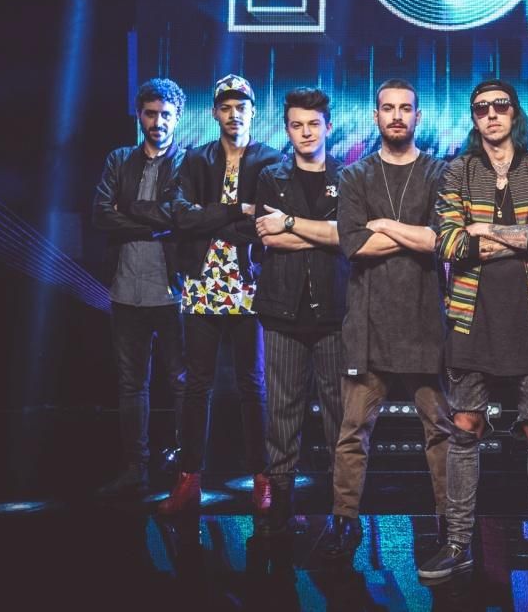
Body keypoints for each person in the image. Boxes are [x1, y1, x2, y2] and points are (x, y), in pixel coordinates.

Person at [419, 80, 528, 580]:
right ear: (474, 118)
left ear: (514, 113)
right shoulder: (457, 171)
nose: (491, 114)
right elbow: (450, 243)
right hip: (470, 317)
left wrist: (483, 229)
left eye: (500, 106)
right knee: (464, 428)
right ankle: (458, 543)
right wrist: (520, 234)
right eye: (481, 108)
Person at [325, 79, 451, 563]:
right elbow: (354, 244)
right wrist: (410, 235)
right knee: (352, 431)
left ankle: (450, 522)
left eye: (405, 108)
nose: (396, 115)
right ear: (375, 115)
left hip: (424, 323)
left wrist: (385, 226)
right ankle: (344, 520)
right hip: (368, 325)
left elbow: (440, 240)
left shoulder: (438, 172)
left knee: (440, 431)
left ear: (418, 116)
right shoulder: (355, 175)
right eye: (387, 108)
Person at [161, 74, 278, 515]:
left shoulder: (269, 160)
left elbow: (264, 223)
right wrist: (234, 211)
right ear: (214, 113)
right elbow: (181, 217)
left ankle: (262, 479)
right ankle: (188, 480)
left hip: (248, 285)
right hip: (202, 285)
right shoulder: (196, 159)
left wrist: (215, 221)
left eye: (241, 107)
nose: (234, 114)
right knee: (198, 385)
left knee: (253, 384)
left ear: (253, 112)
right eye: (226, 107)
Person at [252, 88, 349, 540]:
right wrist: (323, 232)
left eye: (313, 124)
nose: (306, 133)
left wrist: (291, 224)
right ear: (287, 129)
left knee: (339, 417)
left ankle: (343, 513)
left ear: (328, 127)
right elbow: (268, 238)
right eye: (296, 125)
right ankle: (279, 510)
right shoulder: (271, 177)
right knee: (282, 414)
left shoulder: (349, 178)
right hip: (282, 311)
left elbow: (348, 237)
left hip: (336, 311)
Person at [91, 78, 188, 498]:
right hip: (124, 291)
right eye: (151, 113)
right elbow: (100, 214)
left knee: (182, 382)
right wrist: (154, 223)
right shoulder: (119, 160)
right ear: (139, 115)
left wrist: (129, 210)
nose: (158, 122)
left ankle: (185, 471)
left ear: (177, 118)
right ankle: (136, 469)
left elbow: (180, 217)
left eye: (166, 115)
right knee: (132, 385)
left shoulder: (188, 164)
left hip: (172, 293)